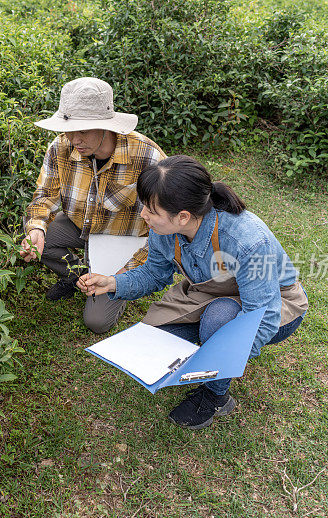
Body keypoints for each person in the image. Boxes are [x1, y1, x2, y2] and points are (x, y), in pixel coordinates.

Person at [77, 155, 308, 429]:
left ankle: (215, 396)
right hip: (209, 294)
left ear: (183, 217)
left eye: (151, 211)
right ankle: (208, 345)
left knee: (219, 320)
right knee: (155, 338)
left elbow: (264, 314)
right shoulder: (163, 229)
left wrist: (224, 359)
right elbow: (154, 273)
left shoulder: (247, 240)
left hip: (275, 306)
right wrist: (114, 283)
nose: (143, 215)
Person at [20, 77, 166, 334]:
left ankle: (107, 282)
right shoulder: (59, 148)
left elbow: (165, 230)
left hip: (126, 240)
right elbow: (44, 196)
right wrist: (36, 230)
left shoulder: (147, 156)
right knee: (38, 238)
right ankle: (78, 275)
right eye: (69, 129)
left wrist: (123, 275)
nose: (74, 139)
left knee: (97, 323)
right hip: (80, 226)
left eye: (83, 130)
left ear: (106, 127)